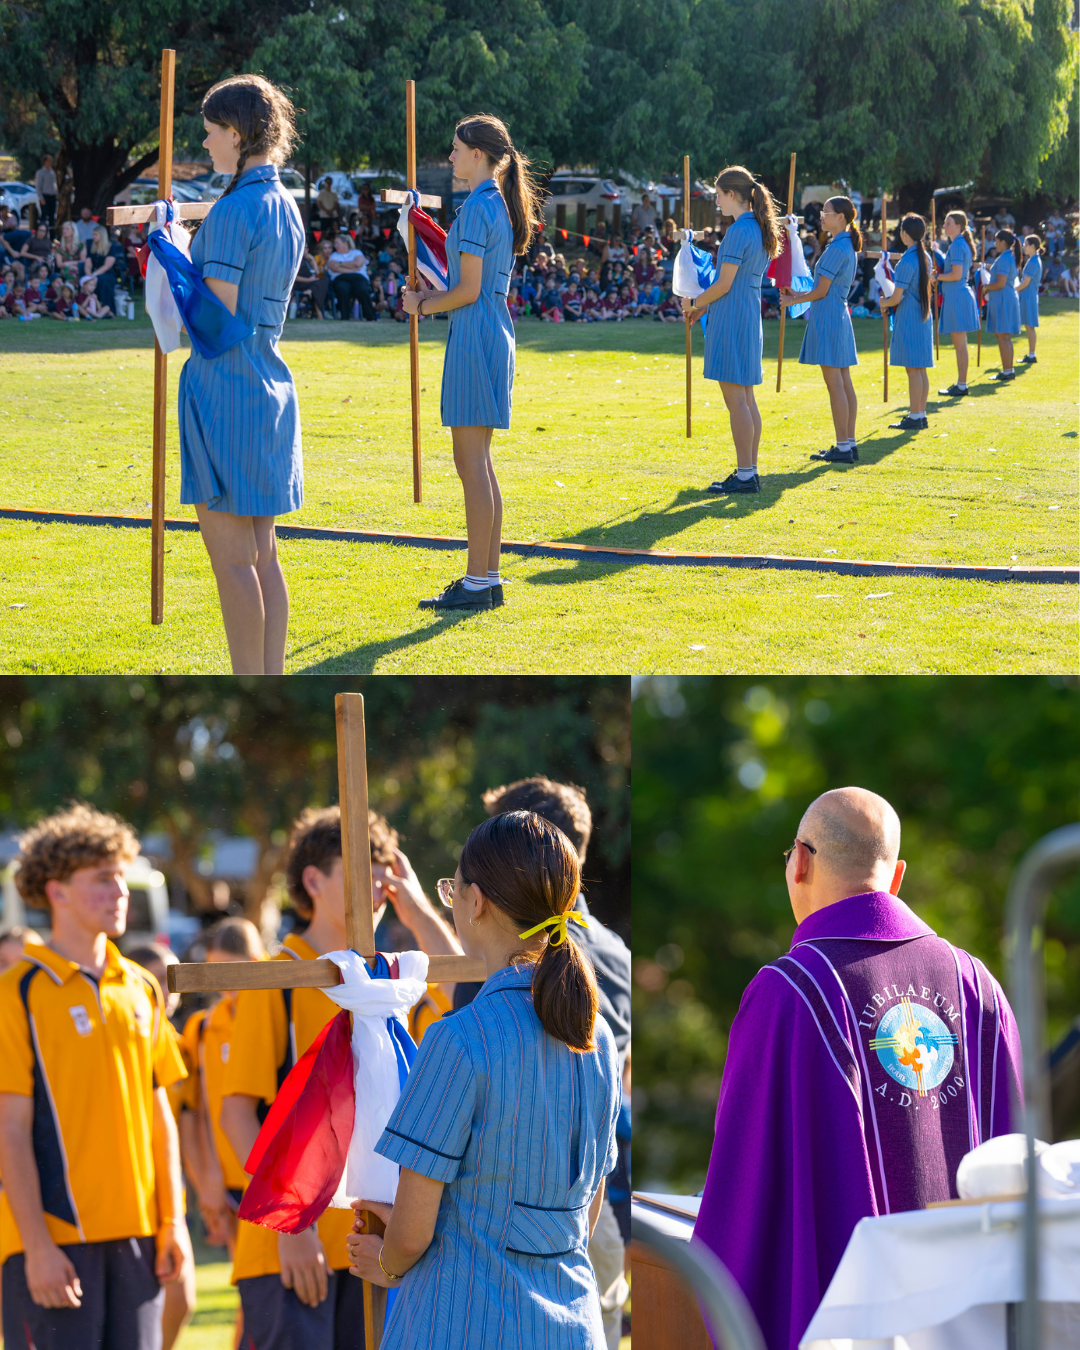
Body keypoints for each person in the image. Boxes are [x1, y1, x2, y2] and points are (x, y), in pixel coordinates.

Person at [693, 787, 1023, 1350]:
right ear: (895, 878)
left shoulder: (788, 994)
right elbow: (1018, 1169)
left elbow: (743, 1197)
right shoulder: (980, 988)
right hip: (976, 1326)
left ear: (799, 861)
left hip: (849, 1332)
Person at [345, 811, 621, 1350]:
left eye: (451, 889)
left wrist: (389, 1263)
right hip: (573, 1326)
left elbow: (411, 1234)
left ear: (476, 902)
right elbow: (583, 1216)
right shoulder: (598, 1039)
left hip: (462, 1325)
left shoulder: (458, 1040)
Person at [220, 804, 462, 1350]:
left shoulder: (392, 983)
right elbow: (237, 1112)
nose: (379, 881)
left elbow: (469, 990)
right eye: (363, 867)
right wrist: (295, 1227)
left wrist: (419, 908)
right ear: (313, 880)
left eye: (383, 866)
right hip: (290, 1247)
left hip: (379, 1244)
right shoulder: (279, 976)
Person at [0, 804, 192, 1350]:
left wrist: (173, 1221)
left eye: (121, 878)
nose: (119, 892)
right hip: (53, 1245)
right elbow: (8, 1130)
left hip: (140, 1242)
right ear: (56, 892)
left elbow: (160, 1114)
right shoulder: (16, 994)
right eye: (103, 879)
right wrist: (37, 1246)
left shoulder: (144, 987)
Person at [178, 74, 305, 675]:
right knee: (262, 554)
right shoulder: (285, 203)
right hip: (270, 383)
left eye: (209, 134)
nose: (205, 145)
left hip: (228, 386)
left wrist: (171, 262)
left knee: (234, 561)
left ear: (235, 133)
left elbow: (216, 317)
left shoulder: (234, 209)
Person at [404, 114, 542, 613]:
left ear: (480, 154)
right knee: (478, 464)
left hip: (477, 336)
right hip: (489, 332)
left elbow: (466, 291)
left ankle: (479, 581)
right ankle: (487, 577)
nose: (451, 156)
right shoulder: (492, 204)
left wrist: (420, 304)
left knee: (471, 465)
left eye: (458, 149)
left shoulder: (480, 207)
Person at [682, 165, 781, 496]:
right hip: (746, 315)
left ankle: (744, 474)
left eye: (719, 196)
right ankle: (748, 472)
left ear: (733, 195)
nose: (717, 203)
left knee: (737, 400)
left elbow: (724, 283)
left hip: (734, 317)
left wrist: (694, 301)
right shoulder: (756, 227)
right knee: (746, 398)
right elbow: (733, 284)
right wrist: (704, 307)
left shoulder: (741, 230)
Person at [781, 195, 861, 465]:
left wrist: (793, 300)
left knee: (836, 384)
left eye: (826, 212)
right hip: (837, 315)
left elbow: (821, 291)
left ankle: (843, 446)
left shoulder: (838, 247)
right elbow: (821, 290)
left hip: (829, 317)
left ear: (841, 217)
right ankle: (848, 443)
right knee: (843, 382)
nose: (822, 217)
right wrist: (797, 294)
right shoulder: (844, 244)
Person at [881, 213, 934, 432]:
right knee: (920, 369)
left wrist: (884, 301)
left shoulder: (908, 260)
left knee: (913, 370)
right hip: (922, 314)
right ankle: (920, 414)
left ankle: (915, 415)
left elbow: (897, 296)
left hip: (910, 315)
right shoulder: (925, 257)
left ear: (904, 233)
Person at [935, 210, 980, 398]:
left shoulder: (957, 245)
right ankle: (961, 384)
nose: (944, 226)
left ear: (958, 226)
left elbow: (955, 274)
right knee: (960, 344)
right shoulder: (959, 244)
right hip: (958, 295)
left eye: (948, 223)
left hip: (957, 296)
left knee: (960, 345)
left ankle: (962, 385)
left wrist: (935, 276)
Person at [984, 229, 1022, 382]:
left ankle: (1007, 371)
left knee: (1002, 336)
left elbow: (1000, 283)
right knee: (1004, 336)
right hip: (1005, 298)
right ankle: (1008, 370)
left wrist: (986, 286)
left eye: (997, 241)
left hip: (1003, 299)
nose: (995, 244)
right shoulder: (1006, 257)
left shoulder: (1004, 258)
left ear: (1003, 242)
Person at [326, 234, 376, 320]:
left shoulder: (356, 252)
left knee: (362, 289)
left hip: (358, 277)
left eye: (337, 243)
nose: (335, 246)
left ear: (345, 243)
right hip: (341, 278)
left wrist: (340, 264)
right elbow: (333, 267)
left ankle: (370, 316)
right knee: (342, 289)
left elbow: (358, 263)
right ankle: (344, 317)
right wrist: (352, 268)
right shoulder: (334, 255)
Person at [85, 224, 123, 314]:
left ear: (102, 236)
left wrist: (94, 275)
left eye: (95, 234)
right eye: (93, 234)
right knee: (86, 281)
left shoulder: (110, 247)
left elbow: (107, 266)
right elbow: (88, 264)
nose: (93, 236)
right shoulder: (91, 246)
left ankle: (107, 308)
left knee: (101, 280)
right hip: (94, 273)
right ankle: (87, 308)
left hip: (107, 274)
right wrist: (88, 275)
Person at [1017, 234, 1043, 363]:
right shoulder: (1033, 259)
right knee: (1028, 325)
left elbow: (1026, 282)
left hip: (1029, 296)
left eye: (1026, 244)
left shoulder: (1033, 261)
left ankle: (1032, 355)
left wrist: (1013, 291)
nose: (1023, 247)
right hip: (1028, 295)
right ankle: (1031, 354)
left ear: (1033, 246)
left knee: (1029, 325)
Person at [34, 156, 58, 232]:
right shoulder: (40, 172)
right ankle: (41, 233)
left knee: (52, 217)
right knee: (44, 217)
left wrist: (56, 193)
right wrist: (41, 198)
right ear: (45, 161)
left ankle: (52, 236)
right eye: (49, 160)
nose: (51, 162)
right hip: (45, 197)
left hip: (52, 197)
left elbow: (54, 184)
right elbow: (38, 186)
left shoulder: (52, 172)